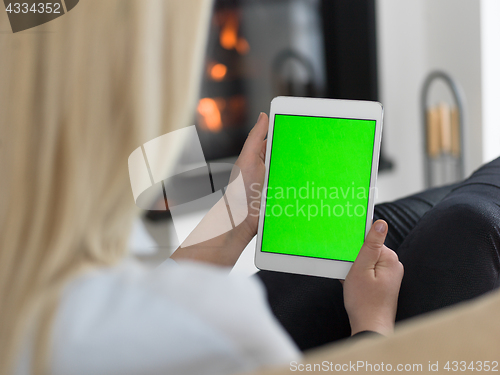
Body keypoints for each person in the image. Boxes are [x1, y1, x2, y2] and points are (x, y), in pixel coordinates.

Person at [0, 1, 403, 375]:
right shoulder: (220, 329)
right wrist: (373, 325)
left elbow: (144, 311)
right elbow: (165, 317)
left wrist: (236, 212)